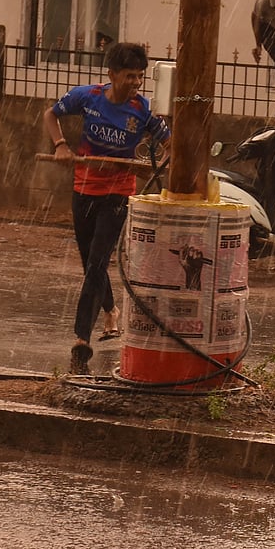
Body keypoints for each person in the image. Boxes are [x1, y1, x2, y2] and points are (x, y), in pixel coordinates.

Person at [42, 42, 171, 375]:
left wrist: (149, 168)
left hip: (117, 195)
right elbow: (50, 115)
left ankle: (80, 342)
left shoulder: (142, 111)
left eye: (140, 77)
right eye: (129, 76)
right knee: (91, 265)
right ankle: (111, 311)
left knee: (98, 262)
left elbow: (171, 147)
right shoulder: (89, 97)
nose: (136, 83)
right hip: (84, 189)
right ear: (112, 74)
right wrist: (60, 145)